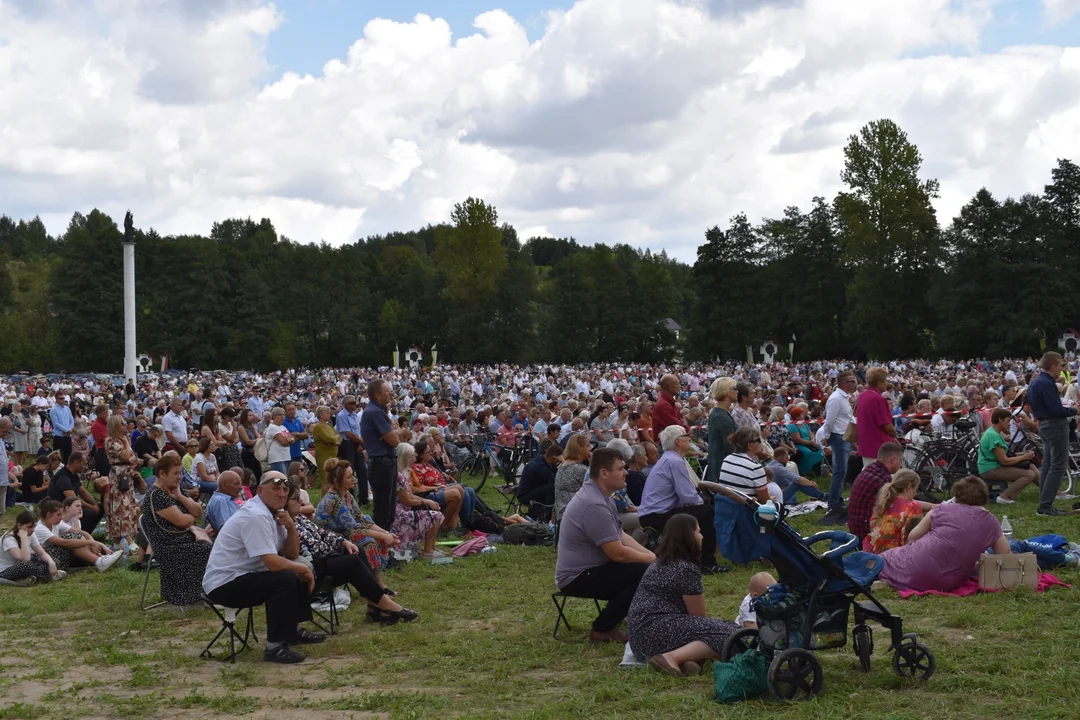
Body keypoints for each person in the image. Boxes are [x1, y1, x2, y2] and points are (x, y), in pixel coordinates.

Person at [203, 472, 325, 664]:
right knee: (286, 576)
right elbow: (272, 562)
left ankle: (291, 631)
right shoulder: (256, 515)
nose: (282, 494)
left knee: (294, 568)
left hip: (246, 575)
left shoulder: (276, 514)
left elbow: (291, 554)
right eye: (275, 488)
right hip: (223, 584)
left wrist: (292, 527)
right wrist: (302, 570)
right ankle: (275, 647)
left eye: (285, 490)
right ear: (260, 490)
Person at [555, 447, 655, 643]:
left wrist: (653, 556)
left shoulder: (601, 496)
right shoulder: (594, 503)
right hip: (577, 577)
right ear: (604, 473)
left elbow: (622, 537)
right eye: (620, 468)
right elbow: (618, 554)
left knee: (647, 568)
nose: (626, 472)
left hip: (590, 569)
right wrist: (653, 560)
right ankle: (603, 628)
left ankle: (628, 616)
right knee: (644, 572)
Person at [285, 483, 415, 626]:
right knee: (353, 560)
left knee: (356, 549)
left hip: (327, 555)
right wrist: (382, 535)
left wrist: (343, 543)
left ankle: (374, 603)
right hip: (312, 568)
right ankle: (385, 603)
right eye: (296, 498)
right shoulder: (287, 523)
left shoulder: (300, 517)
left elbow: (323, 533)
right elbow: (350, 528)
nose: (301, 501)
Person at [627, 513, 739, 676]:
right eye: (698, 532)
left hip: (640, 639)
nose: (701, 536)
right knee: (733, 637)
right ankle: (669, 658)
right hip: (658, 632)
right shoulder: (685, 569)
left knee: (726, 628)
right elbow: (698, 617)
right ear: (688, 536)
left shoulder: (658, 563)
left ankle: (687, 661)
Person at [879, 476, 1011, 593]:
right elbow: (1005, 553)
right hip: (948, 582)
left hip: (915, 568)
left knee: (881, 561)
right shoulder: (991, 521)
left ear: (957, 494)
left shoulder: (941, 510)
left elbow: (913, 536)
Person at [638, 425, 726, 574]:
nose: (689, 438)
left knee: (704, 508)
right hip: (657, 515)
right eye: (686, 436)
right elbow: (688, 497)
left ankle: (699, 557)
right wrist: (704, 502)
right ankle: (707, 562)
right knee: (707, 512)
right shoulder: (675, 461)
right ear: (678, 441)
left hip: (652, 514)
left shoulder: (669, 458)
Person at [140, 452, 213, 605]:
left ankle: (209, 590)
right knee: (208, 549)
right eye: (175, 473)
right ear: (162, 474)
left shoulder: (172, 492)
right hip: (169, 546)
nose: (179, 477)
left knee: (213, 544)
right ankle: (207, 592)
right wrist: (191, 517)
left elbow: (198, 511)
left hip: (181, 540)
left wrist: (180, 496)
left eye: (180, 473)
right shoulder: (156, 496)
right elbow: (182, 521)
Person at [315, 457, 395, 585]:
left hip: (344, 535)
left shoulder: (346, 494)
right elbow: (355, 529)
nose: (354, 479)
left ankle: (377, 584)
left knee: (372, 538)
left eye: (353, 475)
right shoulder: (334, 500)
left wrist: (386, 533)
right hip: (329, 541)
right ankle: (373, 585)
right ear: (337, 481)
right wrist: (383, 535)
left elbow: (362, 518)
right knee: (367, 542)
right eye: (349, 477)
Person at [712, 427, 772, 564]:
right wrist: (771, 502)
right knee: (771, 509)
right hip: (744, 510)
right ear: (750, 446)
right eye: (758, 440)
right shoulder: (755, 467)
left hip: (728, 506)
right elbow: (764, 500)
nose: (760, 443)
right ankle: (767, 551)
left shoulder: (727, 459)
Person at [1028, 351, 1075, 517]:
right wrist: (1074, 410)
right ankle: (1045, 506)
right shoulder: (1046, 383)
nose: (1062, 369)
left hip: (1044, 424)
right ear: (1053, 366)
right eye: (1061, 366)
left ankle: (1044, 502)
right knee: (1058, 465)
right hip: (1054, 425)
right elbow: (1056, 409)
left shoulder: (1036, 381)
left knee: (1048, 463)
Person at [34, 498, 122, 572]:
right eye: (58, 515)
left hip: (57, 556)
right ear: (49, 514)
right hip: (43, 560)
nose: (61, 518)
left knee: (75, 536)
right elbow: (64, 543)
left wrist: (92, 543)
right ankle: (99, 561)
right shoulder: (40, 528)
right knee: (72, 539)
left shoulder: (56, 523)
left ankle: (101, 558)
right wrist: (90, 542)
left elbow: (82, 533)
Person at [391, 444, 445, 560]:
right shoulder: (398, 476)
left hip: (404, 509)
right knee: (434, 516)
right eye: (411, 457)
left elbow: (410, 495)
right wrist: (427, 502)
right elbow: (408, 501)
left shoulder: (404, 473)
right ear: (404, 457)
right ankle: (428, 551)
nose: (414, 459)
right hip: (399, 514)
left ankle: (432, 548)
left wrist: (426, 500)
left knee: (436, 514)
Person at [846, 442, 905, 543]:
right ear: (893, 459)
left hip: (855, 529)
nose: (901, 465)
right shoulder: (882, 479)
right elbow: (901, 503)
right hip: (866, 535)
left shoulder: (872, 468)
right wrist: (934, 506)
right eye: (900, 461)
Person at [361, 381, 400, 531]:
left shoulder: (377, 411)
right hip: (381, 463)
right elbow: (394, 440)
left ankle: (385, 542)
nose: (389, 393)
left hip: (385, 462)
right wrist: (393, 433)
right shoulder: (375, 412)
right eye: (386, 391)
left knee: (389, 507)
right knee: (384, 508)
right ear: (377, 394)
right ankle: (382, 546)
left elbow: (392, 437)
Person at [978, 408, 1038, 504]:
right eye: (1008, 420)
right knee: (1029, 474)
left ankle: (1050, 491)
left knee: (1030, 466)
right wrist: (1024, 457)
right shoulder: (993, 436)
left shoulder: (993, 432)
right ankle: (1004, 497)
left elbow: (1005, 455)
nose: (1009, 424)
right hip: (990, 469)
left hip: (993, 465)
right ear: (1000, 419)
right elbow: (1005, 461)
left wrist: (1023, 454)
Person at [104, 413, 144, 552]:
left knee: (127, 506)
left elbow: (133, 458)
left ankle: (117, 541)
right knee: (120, 507)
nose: (125, 425)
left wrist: (128, 451)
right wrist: (127, 443)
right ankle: (129, 540)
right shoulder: (111, 441)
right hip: (118, 476)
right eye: (122, 423)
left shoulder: (121, 440)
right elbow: (127, 455)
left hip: (126, 474)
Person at [862, 469, 925, 553]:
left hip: (873, 552)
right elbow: (915, 539)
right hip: (894, 556)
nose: (916, 493)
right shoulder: (913, 507)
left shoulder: (885, 500)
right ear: (909, 488)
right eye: (916, 489)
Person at [822, 370, 855, 521]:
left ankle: (836, 499)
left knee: (842, 471)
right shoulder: (836, 398)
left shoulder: (844, 398)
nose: (854, 383)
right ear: (842, 383)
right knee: (839, 471)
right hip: (838, 436)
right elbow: (829, 420)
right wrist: (826, 436)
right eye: (851, 381)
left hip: (844, 436)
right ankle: (833, 502)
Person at [46, 452, 103, 536]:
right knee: (91, 513)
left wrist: (95, 504)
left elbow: (83, 492)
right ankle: (77, 534)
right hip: (61, 509)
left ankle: (86, 534)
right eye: (84, 464)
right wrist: (92, 507)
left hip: (71, 507)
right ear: (76, 463)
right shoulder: (63, 477)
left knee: (100, 508)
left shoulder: (74, 475)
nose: (85, 466)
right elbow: (72, 498)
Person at [1, 510, 64, 585]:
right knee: (25, 565)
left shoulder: (31, 533)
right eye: (29, 527)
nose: (32, 530)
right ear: (19, 526)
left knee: (51, 558)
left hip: (24, 565)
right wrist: (24, 538)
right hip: (5, 570)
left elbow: (41, 553)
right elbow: (25, 559)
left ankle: (32, 577)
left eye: (34, 526)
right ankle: (47, 576)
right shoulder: (9, 538)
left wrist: (51, 563)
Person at [335, 395, 368, 503]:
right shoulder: (342, 416)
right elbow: (349, 434)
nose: (355, 404)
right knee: (350, 471)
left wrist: (360, 444)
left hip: (357, 443)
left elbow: (358, 431)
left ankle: (364, 498)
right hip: (348, 445)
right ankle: (350, 498)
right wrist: (362, 442)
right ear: (347, 404)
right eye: (353, 403)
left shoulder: (354, 415)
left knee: (362, 470)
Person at [705, 377, 737, 484]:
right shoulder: (721, 416)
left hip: (719, 463)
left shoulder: (718, 412)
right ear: (727, 392)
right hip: (723, 466)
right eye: (735, 388)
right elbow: (730, 445)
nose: (737, 391)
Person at [554, 434, 591, 522]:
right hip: (575, 515)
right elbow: (593, 492)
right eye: (587, 445)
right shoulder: (580, 469)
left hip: (561, 513)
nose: (590, 449)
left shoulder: (564, 465)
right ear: (579, 448)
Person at [204, 469, 246, 535]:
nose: (240, 487)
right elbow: (226, 528)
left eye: (240, 484)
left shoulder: (225, 499)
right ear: (223, 486)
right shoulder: (220, 500)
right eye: (236, 484)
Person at [312, 405, 342, 494]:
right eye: (327, 413)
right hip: (323, 456)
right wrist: (334, 440)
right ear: (321, 414)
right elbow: (328, 438)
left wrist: (335, 440)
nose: (330, 414)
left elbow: (339, 436)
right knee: (326, 479)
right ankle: (324, 501)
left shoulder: (329, 425)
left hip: (333, 455)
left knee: (332, 478)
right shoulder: (318, 427)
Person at [786, 406, 823, 475]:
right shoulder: (792, 425)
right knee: (808, 453)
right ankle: (802, 471)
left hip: (809, 442)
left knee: (820, 450)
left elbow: (811, 433)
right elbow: (797, 439)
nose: (804, 415)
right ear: (797, 417)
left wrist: (812, 440)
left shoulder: (804, 423)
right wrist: (811, 443)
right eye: (802, 414)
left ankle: (817, 470)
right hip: (799, 445)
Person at [651, 374, 688, 441]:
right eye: (678, 384)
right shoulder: (663, 405)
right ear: (670, 387)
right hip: (668, 445)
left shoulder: (669, 403)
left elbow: (680, 420)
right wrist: (684, 424)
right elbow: (677, 427)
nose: (680, 386)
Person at [264, 407, 295, 476]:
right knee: (282, 478)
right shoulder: (273, 427)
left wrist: (289, 440)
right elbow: (283, 443)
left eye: (283, 414)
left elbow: (292, 439)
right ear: (274, 416)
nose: (282, 416)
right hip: (277, 458)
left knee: (285, 477)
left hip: (285, 456)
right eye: (279, 415)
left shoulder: (282, 427)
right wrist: (289, 440)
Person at [49, 394, 74, 463]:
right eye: (61, 398)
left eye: (63, 398)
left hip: (68, 436)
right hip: (59, 436)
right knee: (59, 457)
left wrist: (69, 430)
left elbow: (71, 420)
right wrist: (66, 430)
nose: (63, 400)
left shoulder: (67, 408)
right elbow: (56, 423)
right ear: (56, 399)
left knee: (68, 456)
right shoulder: (53, 410)